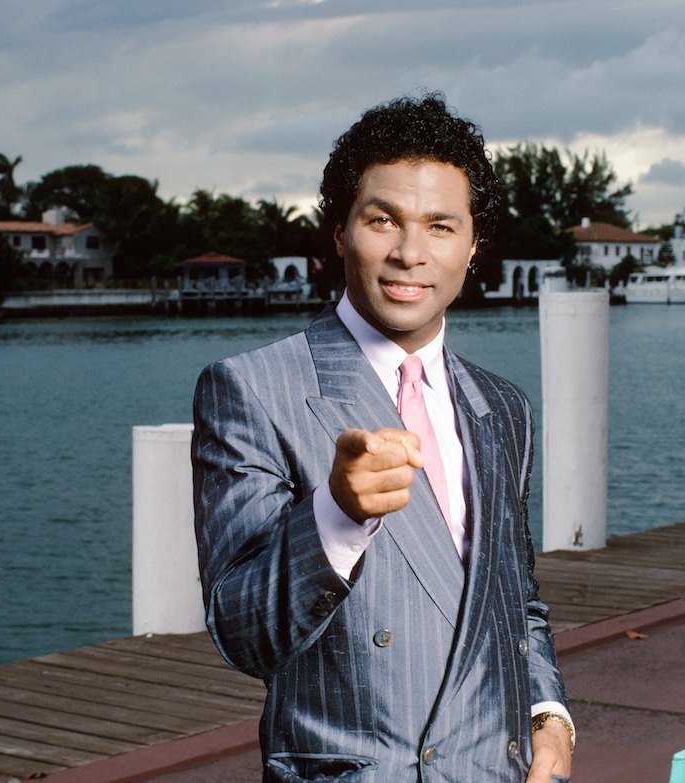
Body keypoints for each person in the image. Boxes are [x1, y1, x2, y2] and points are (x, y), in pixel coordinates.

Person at [192, 92, 573, 782]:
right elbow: (242, 633)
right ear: (339, 232)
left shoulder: (503, 406)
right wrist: (336, 514)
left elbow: (515, 600)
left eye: (440, 226)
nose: (409, 254)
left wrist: (547, 712)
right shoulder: (252, 389)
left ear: (473, 246)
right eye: (382, 220)